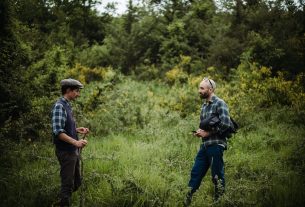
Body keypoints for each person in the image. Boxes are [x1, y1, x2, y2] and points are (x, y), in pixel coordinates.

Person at [184, 77, 232, 206]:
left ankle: (219, 202)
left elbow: (226, 124)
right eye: (199, 88)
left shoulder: (220, 103)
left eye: (202, 88)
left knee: (217, 175)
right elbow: (205, 127)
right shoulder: (204, 106)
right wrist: (200, 132)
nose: (199, 91)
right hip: (205, 145)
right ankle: (186, 200)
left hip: (216, 145)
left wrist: (208, 133)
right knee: (196, 172)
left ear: (210, 89)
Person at [51, 78, 89, 207]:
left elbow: (66, 127)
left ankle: (60, 200)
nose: (78, 94)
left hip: (73, 150)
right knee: (67, 185)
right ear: (68, 90)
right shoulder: (59, 106)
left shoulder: (67, 105)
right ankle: (63, 202)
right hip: (66, 152)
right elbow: (58, 132)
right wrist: (76, 143)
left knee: (76, 183)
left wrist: (78, 129)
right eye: (76, 91)